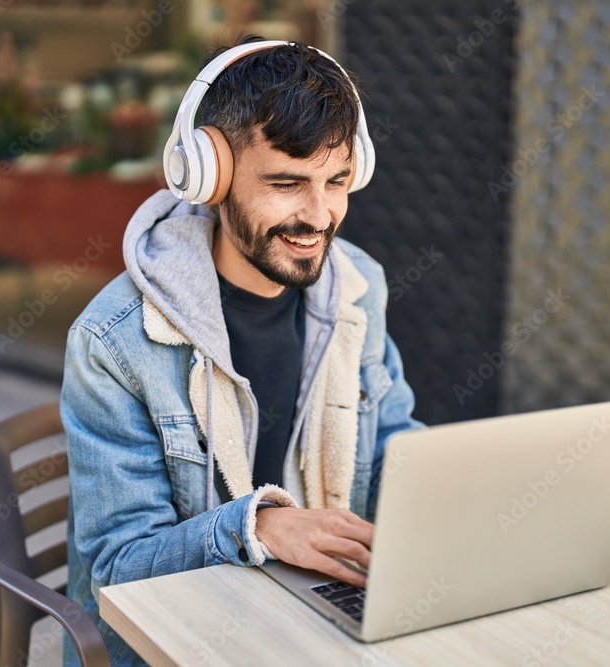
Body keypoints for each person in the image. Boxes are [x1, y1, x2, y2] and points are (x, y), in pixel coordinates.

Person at [61, 35, 426, 666]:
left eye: (337, 181)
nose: (320, 216)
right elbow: (116, 569)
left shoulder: (358, 289)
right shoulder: (113, 342)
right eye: (287, 183)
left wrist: (457, 497)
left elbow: (393, 442)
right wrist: (256, 527)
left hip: (316, 618)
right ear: (209, 176)